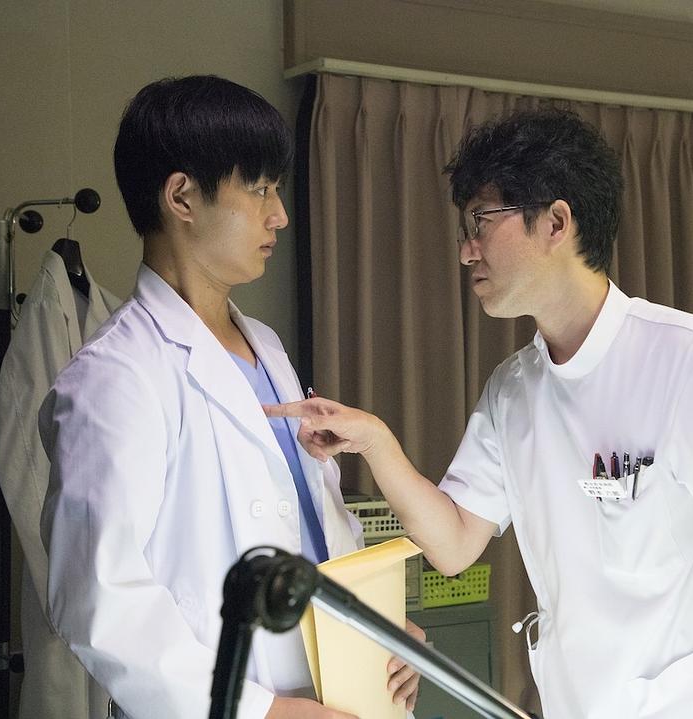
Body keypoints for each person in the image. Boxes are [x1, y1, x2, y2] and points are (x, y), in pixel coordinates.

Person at [266, 107, 693, 719]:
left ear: (556, 222)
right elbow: (454, 544)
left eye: (481, 222)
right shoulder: (513, 391)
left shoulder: (692, 360)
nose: (465, 251)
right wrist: (376, 442)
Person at [39, 75, 421, 719]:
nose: (280, 215)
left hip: (345, 690)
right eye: (260, 188)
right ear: (182, 197)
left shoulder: (265, 347)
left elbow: (318, 524)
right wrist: (262, 713)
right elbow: (98, 596)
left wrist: (382, 630)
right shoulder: (117, 375)